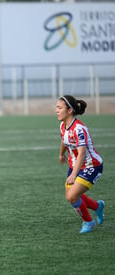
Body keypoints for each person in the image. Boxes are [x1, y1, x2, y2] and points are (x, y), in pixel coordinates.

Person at [56, 95, 105, 233]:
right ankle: (97, 207)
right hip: (75, 165)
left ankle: (88, 222)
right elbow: (64, 140)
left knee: (72, 197)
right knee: (71, 196)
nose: (56, 110)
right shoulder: (62, 125)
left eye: (59, 108)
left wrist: (73, 174)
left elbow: (82, 154)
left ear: (69, 110)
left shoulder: (79, 129)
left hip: (92, 166)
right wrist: (61, 154)